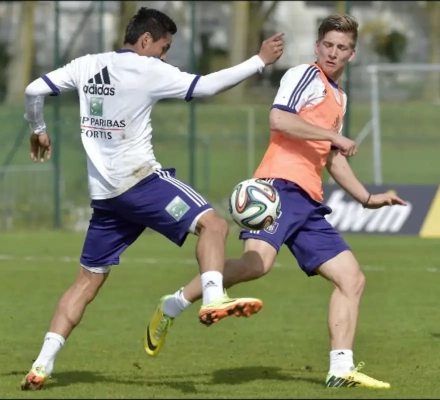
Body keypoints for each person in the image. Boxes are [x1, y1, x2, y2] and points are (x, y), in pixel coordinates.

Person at [20, 7, 284, 391]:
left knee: (86, 283)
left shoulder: (86, 64)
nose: (164, 55)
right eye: (164, 47)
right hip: (141, 184)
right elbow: (207, 86)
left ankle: (41, 365)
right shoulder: (148, 69)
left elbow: (33, 90)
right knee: (214, 225)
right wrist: (259, 61)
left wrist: (38, 128)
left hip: (106, 198)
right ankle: (213, 297)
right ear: (145, 40)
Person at [146, 14, 406, 389]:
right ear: (317, 46)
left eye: (342, 47)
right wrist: (333, 136)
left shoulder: (339, 96)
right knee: (257, 265)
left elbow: (330, 157)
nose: (333, 53)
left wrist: (366, 197)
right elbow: (279, 119)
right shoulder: (304, 76)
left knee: (352, 279)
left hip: (309, 202)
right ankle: (172, 305)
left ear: (352, 53)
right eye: (328, 45)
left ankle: (340, 368)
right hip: (277, 189)